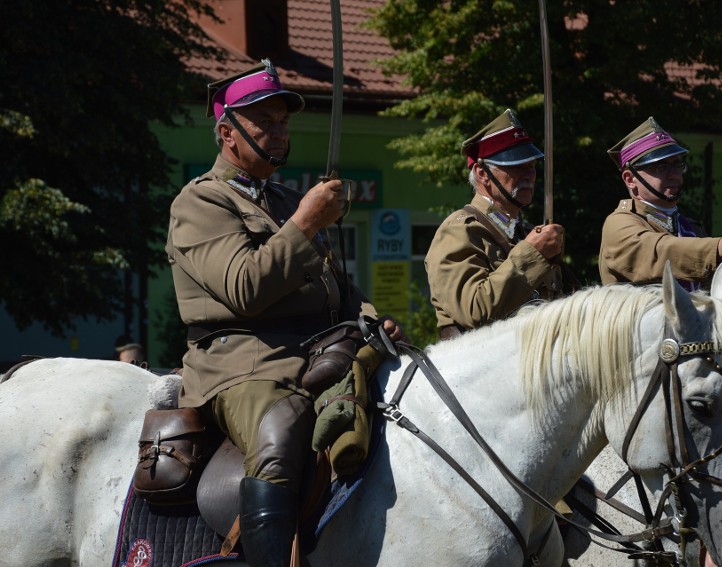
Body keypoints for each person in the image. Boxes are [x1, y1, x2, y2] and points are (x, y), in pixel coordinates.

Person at [165, 59, 402, 566]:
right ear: (227, 133)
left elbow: (335, 286)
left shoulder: (286, 200)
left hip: (316, 351)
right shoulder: (200, 202)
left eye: (283, 122)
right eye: (264, 123)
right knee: (284, 430)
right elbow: (245, 288)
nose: (278, 132)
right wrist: (304, 223)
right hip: (240, 363)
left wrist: (371, 317)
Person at [600, 116, 722, 353]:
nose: (673, 174)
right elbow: (661, 252)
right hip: (642, 358)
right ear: (631, 179)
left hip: (696, 353)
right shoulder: (620, 224)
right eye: (661, 167)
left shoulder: (689, 228)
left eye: (677, 164)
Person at [424, 109, 570, 339]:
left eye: (531, 166)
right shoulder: (460, 229)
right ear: (482, 173)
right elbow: (473, 309)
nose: (529, 174)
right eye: (516, 166)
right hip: (479, 368)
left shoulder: (526, 232)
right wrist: (532, 254)